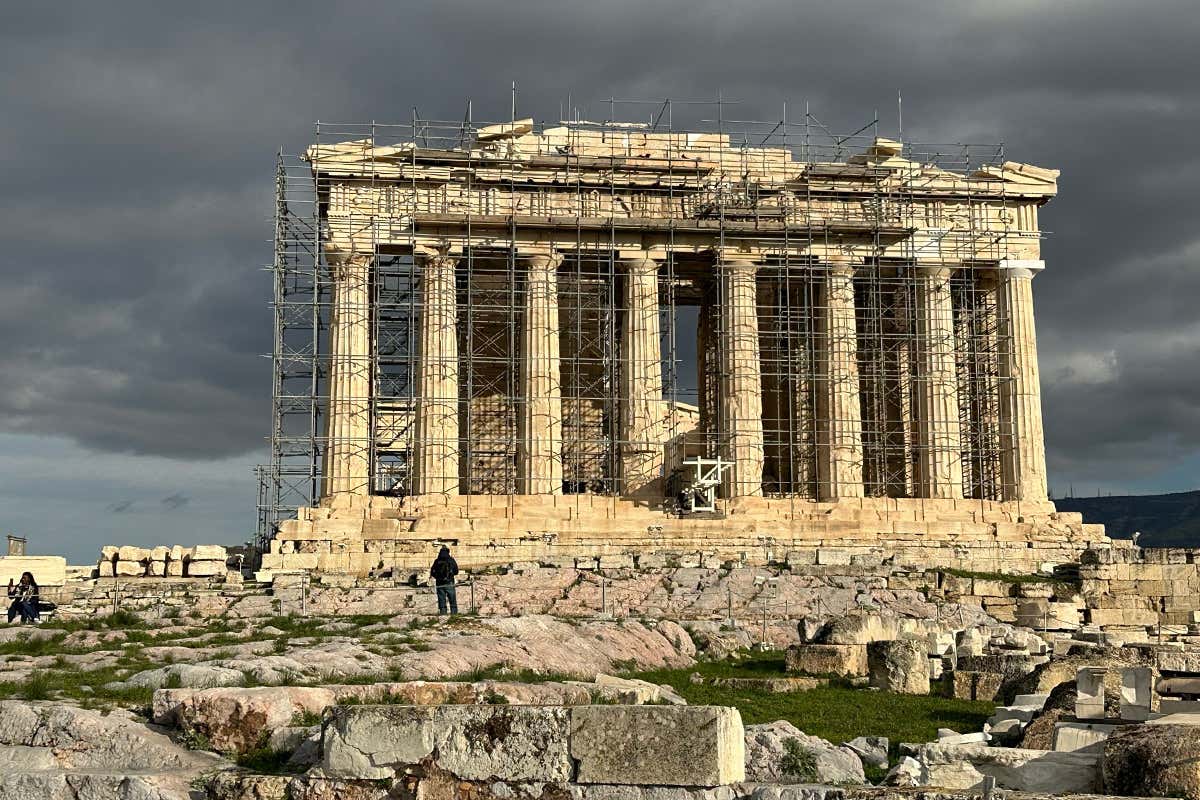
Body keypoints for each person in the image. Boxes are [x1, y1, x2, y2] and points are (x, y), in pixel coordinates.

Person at [430, 546, 459, 615]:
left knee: (441, 598)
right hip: (449, 582)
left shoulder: (437, 561)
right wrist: (450, 576)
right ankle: (454, 613)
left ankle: (443, 613)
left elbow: (432, 572)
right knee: (452, 598)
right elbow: (456, 571)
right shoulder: (451, 560)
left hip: (439, 583)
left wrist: (438, 577)